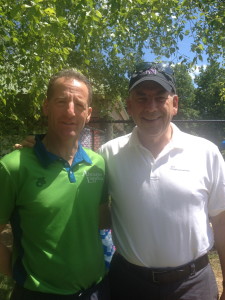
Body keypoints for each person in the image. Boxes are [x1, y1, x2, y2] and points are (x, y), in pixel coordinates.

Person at [98, 62, 225, 300]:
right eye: (142, 98)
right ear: (129, 106)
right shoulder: (108, 154)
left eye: (160, 97)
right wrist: (44, 146)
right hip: (128, 284)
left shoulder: (206, 152)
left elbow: (221, 221)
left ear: (174, 104)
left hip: (193, 285)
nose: (151, 107)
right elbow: (83, 193)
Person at [0, 69, 111, 300]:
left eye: (79, 104)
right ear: (46, 106)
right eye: (61, 101)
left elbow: (101, 220)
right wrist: (18, 274)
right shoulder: (14, 167)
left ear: (88, 113)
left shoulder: (98, 164)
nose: (70, 111)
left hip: (96, 290)